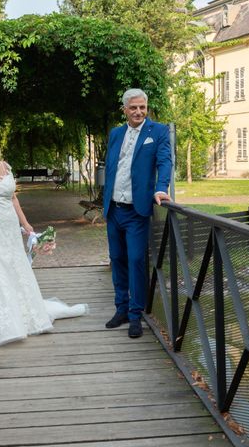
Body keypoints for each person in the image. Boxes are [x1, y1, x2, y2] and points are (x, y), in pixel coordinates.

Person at [0, 122, 88, 347]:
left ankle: (21, 313)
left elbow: (12, 197)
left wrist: (26, 225)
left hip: (8, 228)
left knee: (14, 266)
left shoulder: (4, 166)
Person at [102, 88, 172, 339]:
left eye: (142, 107)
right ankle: (120, 308)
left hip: (137, 210)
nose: (139, 112)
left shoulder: (159, 132)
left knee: (135, 261)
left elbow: (165, 160)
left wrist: (162, 188)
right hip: (114, 208)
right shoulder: (115, 133)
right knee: (117, 258)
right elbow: (113, 166)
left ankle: (135, 315)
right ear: (125, 110)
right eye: (134, 108)